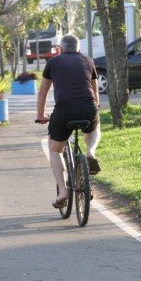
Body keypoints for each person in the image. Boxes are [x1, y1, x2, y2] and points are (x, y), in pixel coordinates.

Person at [35, 33, 101, 209]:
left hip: (64, 110)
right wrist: (96, 110)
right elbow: (95, 92)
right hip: (88, 106)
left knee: (55, 150)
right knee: (94, 127)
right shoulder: (88, 61)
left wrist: (41, 115)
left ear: (60, 49)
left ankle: (63, 191)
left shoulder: (53, 62)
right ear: (78, 48)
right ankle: (90, 151)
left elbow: (43, 92)